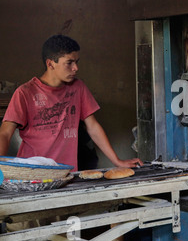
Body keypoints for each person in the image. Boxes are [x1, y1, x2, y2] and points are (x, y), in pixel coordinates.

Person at [0, 34, 142, 171]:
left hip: (67, 174)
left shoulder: (78, 88)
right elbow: (5, 134)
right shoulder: (25, 93)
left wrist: (117, 161)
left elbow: (92, 126)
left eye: (76, 62)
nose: (76, 68)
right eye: (69, 63)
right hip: (33, 175)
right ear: (50, 64)